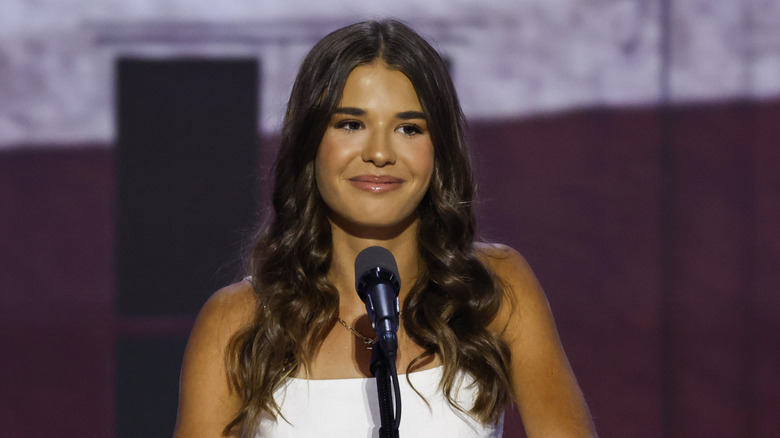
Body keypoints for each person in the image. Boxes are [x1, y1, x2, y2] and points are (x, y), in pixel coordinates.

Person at [173, 19, 597, 438]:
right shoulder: (238, 321)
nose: (379, 152)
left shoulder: (493, 287)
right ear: (310, 142)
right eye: (351, 124)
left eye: (408, 128)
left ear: (439, 152)